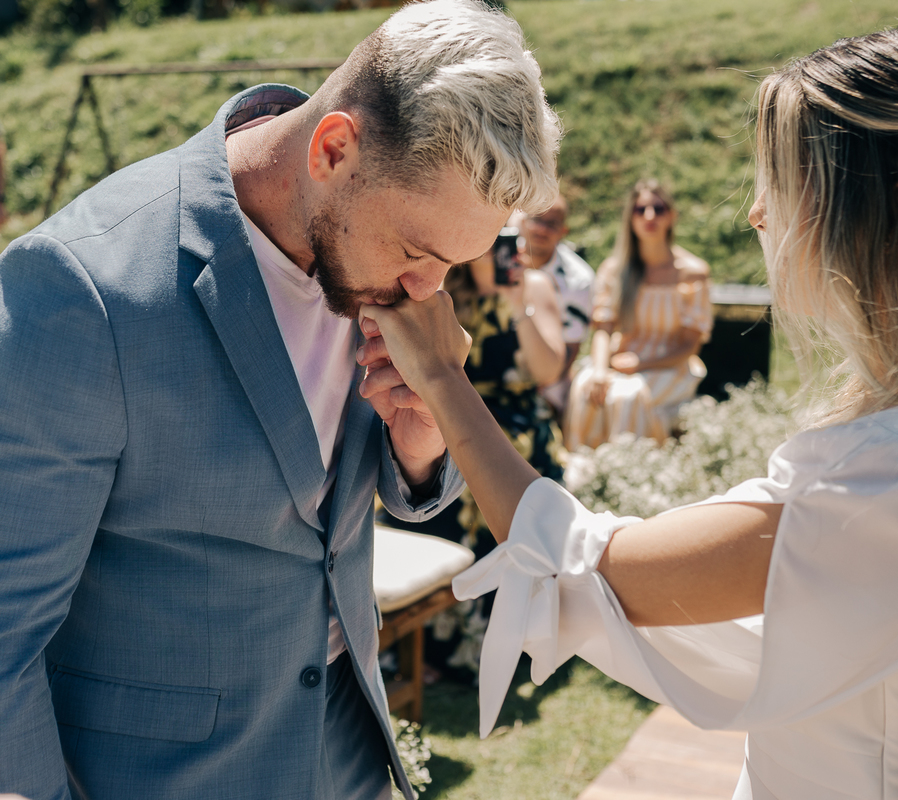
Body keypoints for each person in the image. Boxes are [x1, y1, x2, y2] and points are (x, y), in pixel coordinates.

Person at [358, 24, 898, 800]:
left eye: (784, 178)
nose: (756, 212)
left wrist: (442, 376)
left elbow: (592, 569)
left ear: (890, 206)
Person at [0, 1, 560, 798]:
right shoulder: (82, 289)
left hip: (350, 752)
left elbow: (342, 515)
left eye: (452, 266)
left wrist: (420, 445)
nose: (427, 294)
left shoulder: (375, 248)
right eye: (416, 252)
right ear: (333, 149)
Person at [420, 248, 566, 676]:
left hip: (518, 420)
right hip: (458, 415)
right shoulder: (444, 288)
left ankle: (511, 642)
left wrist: (519, 305)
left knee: (500, 472)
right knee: (430, 472)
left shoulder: (535, 286)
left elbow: (548, 371)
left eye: (513, 236)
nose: (507, 248)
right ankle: (435, 645)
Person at [563, 180, 713, 450]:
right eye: (640, 209)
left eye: (658, 208)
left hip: (670, 365)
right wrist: (599, 370)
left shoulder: (693, 273)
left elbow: (690, 346)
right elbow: (603, 329)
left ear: (672, 216)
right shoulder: (615, 270)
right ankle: (585, 466)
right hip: (621, 359)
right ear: (630, 218)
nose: (649, 216)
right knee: (585, 385)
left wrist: (642, 364)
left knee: (626, 397)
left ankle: (632, 467)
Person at [515, 194, 596, 415]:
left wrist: (546, 382)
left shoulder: (579, 279)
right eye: (537, 220)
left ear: (563, 231)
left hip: (550, 369)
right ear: (523, 221)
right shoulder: (500, 254)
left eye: (551, 224)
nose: (542, 229)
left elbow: (571, 344)